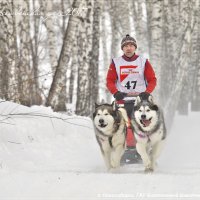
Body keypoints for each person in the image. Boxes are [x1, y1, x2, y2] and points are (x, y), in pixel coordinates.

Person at [106, 34, 157, 163]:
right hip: (122, 100)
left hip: (141, 101)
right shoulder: (116, 62)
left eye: (131, 45)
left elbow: (152, 80)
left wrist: (147, 92)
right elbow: (110, 81)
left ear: (135, 47)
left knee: (146, 124)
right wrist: (116, 92)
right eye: (126, 46)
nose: (128, 48)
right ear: (122, 48)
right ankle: (125, 151)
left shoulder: (143, 62)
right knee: (123, 126)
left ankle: (148, 151)